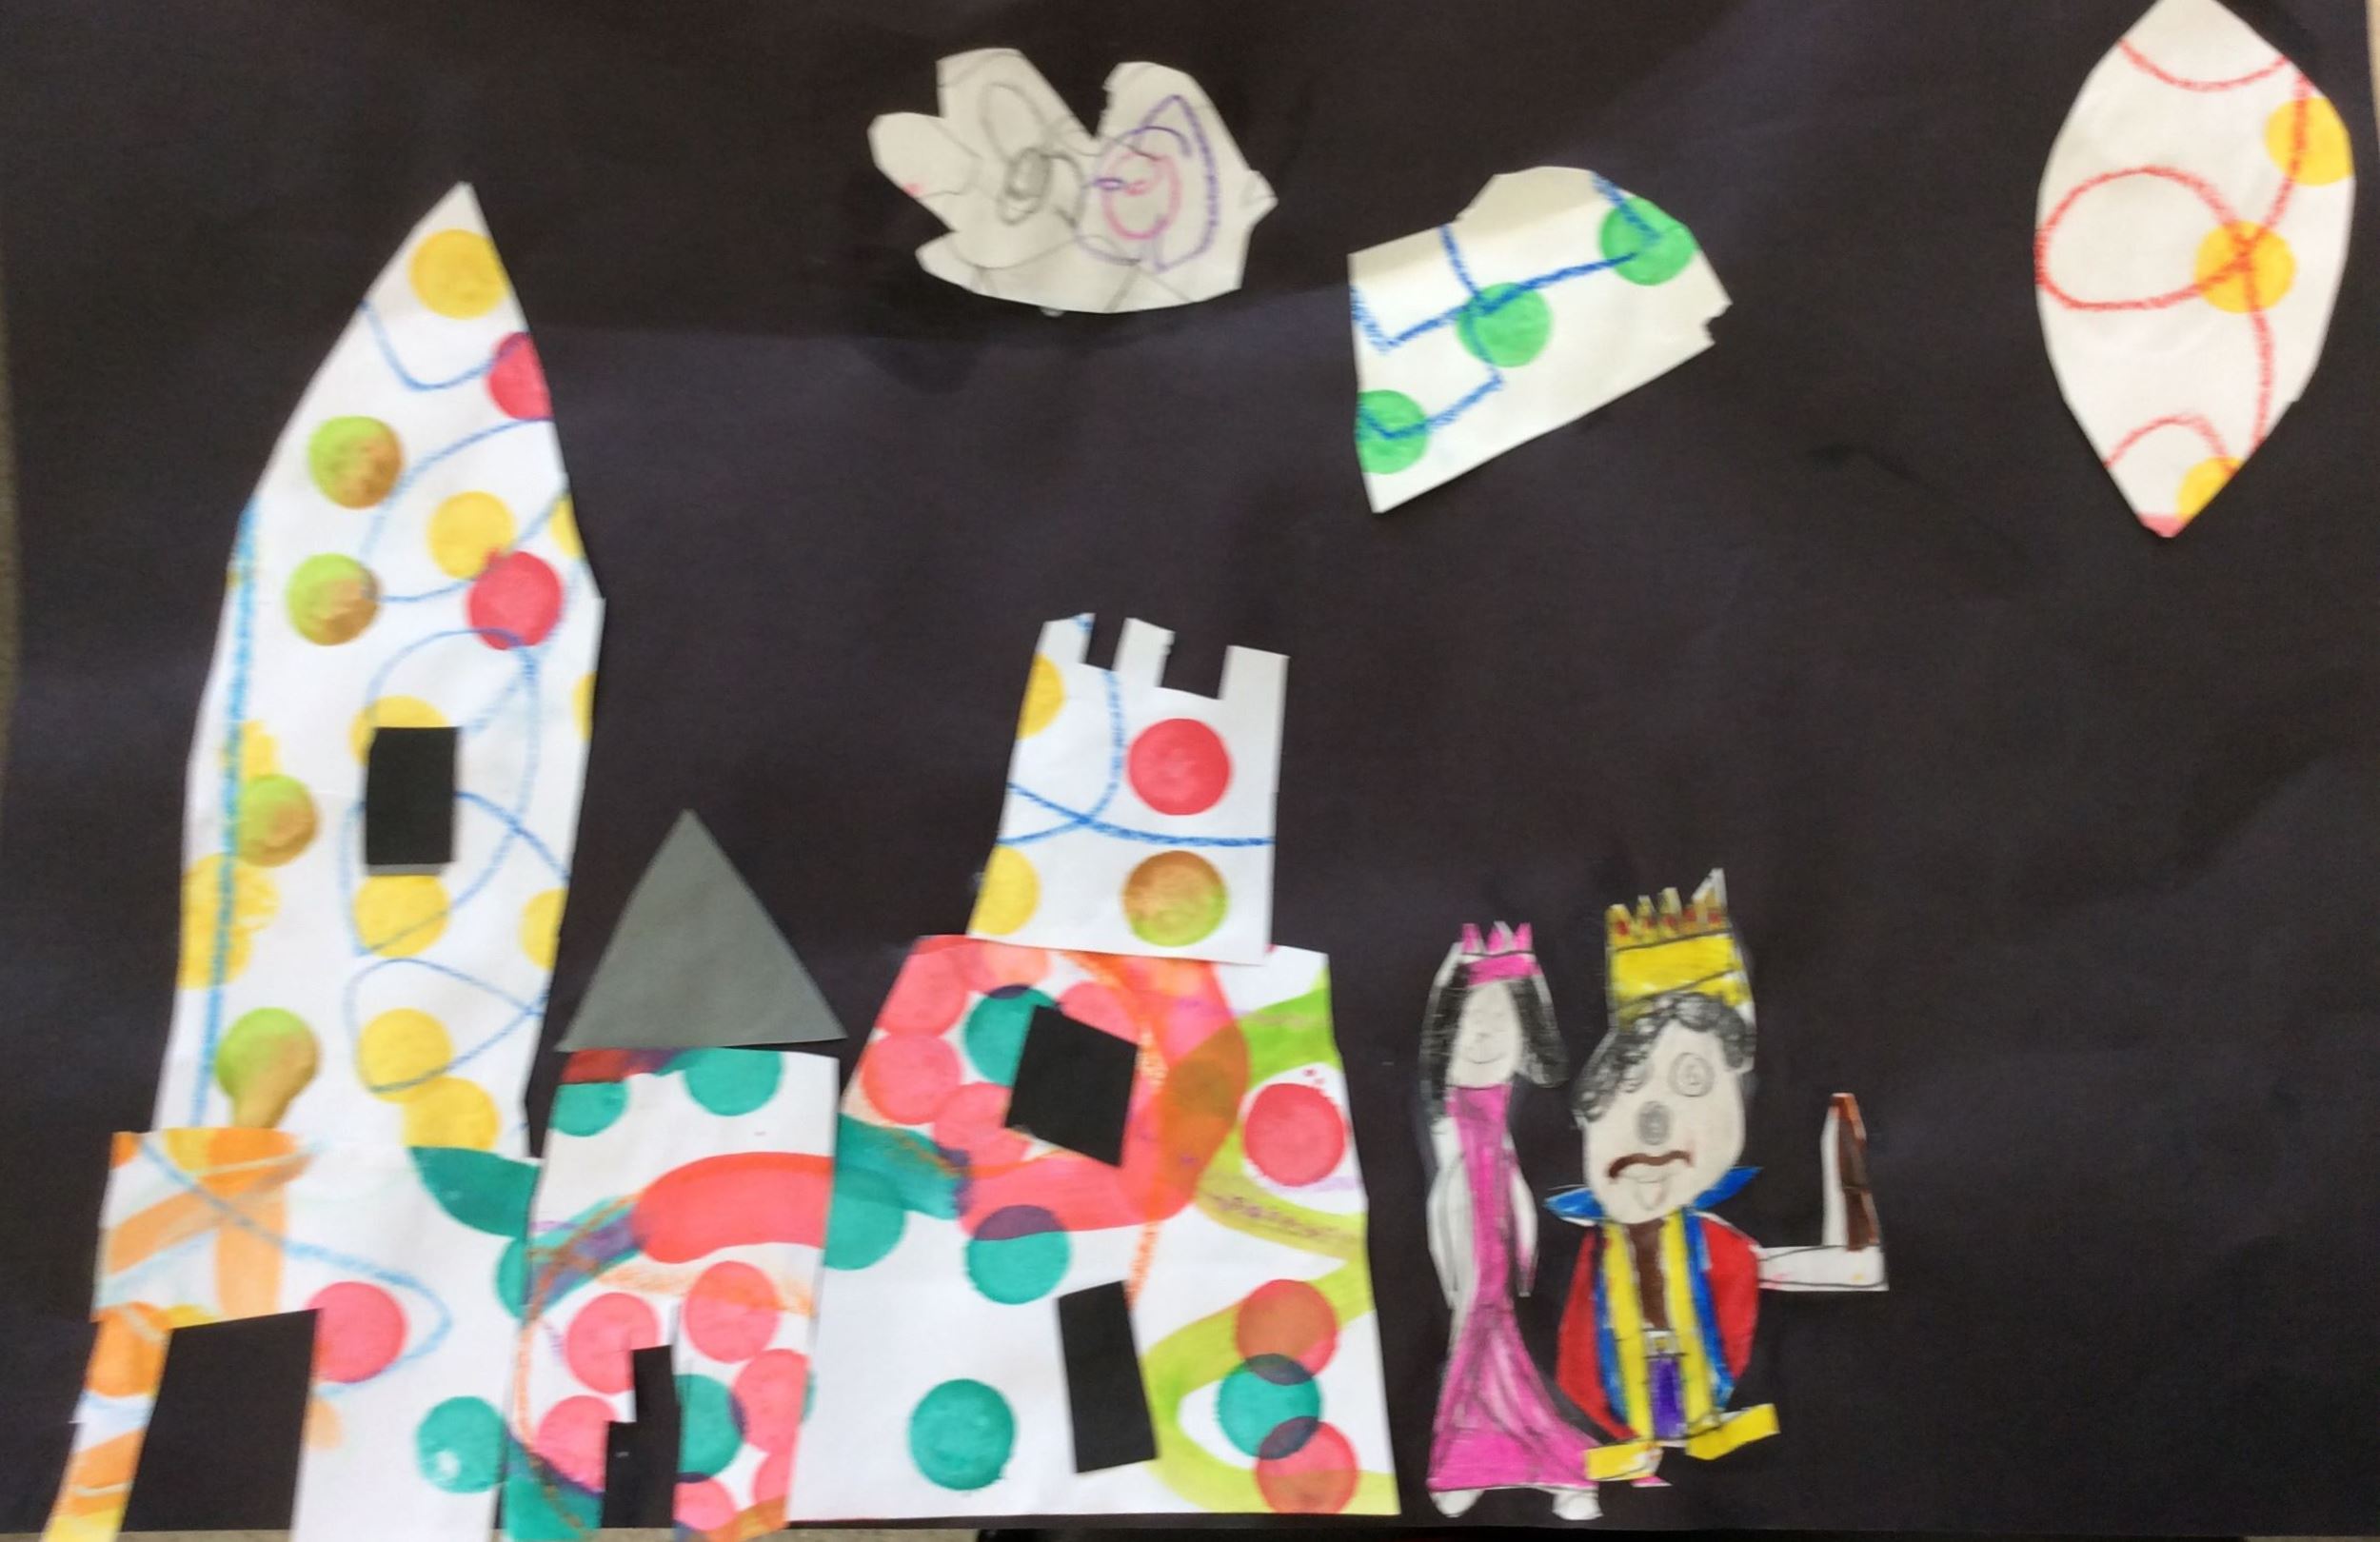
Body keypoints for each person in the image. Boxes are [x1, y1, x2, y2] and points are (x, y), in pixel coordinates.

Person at [1548, 873, 1884, 1490]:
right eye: (1630, 1084)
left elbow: (1853, 1268)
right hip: (1626, 1426)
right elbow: (1577, 1356)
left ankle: (1679, 1431)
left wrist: (1848, 1175)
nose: (1652, 1122)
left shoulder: (1721, 1250)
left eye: (1693, 1082)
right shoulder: (1594, 1262)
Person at [1418, 922, 1601, 1520]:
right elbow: (1447, 1191)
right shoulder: (1447, 1113)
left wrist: (1526, 971)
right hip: (1468, 1244)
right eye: (1471, 1020)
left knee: (1494, 1350)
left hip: (1497, 1245)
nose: (1484, 1036)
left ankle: (1495, 1463)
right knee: (1471, 1343)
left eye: (1501, 1020)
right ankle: (1464, 1465)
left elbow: (1512, 1173)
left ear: (1525, 1038)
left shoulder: (1507, 1110)